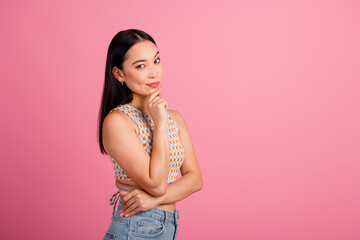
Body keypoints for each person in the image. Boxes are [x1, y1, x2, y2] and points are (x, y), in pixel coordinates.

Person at [98, 29, 203, 239]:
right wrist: (160, 125)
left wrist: (154, 201)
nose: (154, 73)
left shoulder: (175, 118)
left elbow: (195, 180)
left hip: (168, 224)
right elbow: (155, 184)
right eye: (141, 66)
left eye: (156, 61)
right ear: (119, 74)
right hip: (136, 226)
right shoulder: (118, 121)